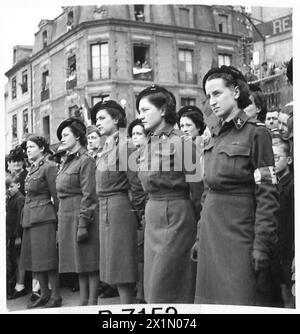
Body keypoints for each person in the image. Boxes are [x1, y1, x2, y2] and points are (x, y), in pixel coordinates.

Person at [193, 65, 279, 306]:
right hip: (212, 233)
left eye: (218, 93)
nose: (212, 102)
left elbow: (267, 193)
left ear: (237, 92)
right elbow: (207, 192)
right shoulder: (213, 136)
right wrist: (200, 237)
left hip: (240, 235)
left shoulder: (256, 134)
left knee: (238, 300)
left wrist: (261, 244)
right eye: (209, 96)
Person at [136, 85, 203, 303]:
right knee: (153, 286)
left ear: (163, 110)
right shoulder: (149, 142)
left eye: (145, 110)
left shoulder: (181, 142)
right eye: (139, 111)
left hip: (176, 217)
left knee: (168, 284)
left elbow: (197, 190)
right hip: (154, 215)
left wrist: (194, 223)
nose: (141, 116)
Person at [92, 100, 145, 304]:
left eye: (102, 117)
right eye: (96, 119)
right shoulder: (107, 146)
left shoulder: (126, 145)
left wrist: (140, 213)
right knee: (113, 263)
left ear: (116, 119)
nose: (98, 122)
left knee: (122, 264)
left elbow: (136, 183)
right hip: (106, 207)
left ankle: (127, 308)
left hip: (120, 208)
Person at [56, 117, 99, 306]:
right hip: (66, 215)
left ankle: (91, 303)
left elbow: (89, 194)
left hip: (80, 215)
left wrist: (83, 223)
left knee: (89, 263)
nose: (62, 139)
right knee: (78, 264)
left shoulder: (86, 160)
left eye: (66, 135)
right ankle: (83, 302)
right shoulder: (67, 160)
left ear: (78, 137)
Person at [19, 135, 61, 309]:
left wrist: (58, 219)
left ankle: (56, 296)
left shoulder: (49, 167)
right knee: (35, 259)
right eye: (27, 148)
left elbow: (56, 196)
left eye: (31, 147)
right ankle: (44, 294)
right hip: (30, 218)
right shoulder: (32, 169)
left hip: (44, 218)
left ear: (42, 148)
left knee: (48, 259)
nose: (28, 150)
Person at [127, 118, 147, 303]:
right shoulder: (133, 157)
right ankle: (141, 292)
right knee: (140, 253)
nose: (135, 137)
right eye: (133, 134)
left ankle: (144, 292)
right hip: (138, 209)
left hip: (148, 207)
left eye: (139, 133)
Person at [273, 137, 294, 308]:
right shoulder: (274, 184)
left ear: (289, 159)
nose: (273, 162)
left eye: (277, 157)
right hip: (275, 250)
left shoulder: (293, 185)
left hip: (288, 251)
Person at [6, 175, 25, 298]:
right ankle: (15, 284)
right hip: (11, 235)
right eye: (7, 187)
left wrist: (18, 236)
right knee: (13, 260)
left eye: (11, 186)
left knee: (19, 261)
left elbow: (20, 218)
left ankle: (20, 286)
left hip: (17, 235)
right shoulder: (11, 198)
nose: (9, 189)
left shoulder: (20, 198)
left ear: (18, 185)